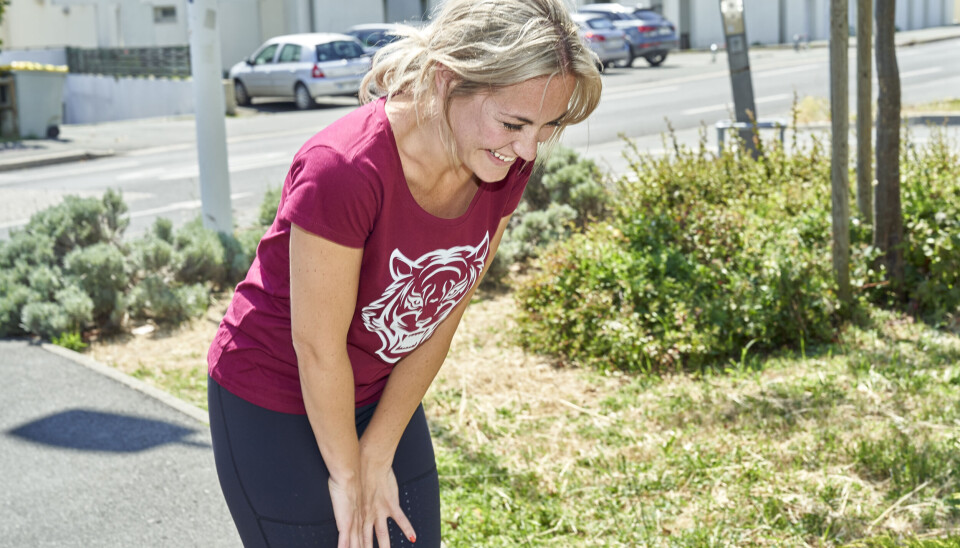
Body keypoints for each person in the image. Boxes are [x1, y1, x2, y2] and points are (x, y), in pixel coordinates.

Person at [206, 0, 602, 546]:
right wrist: (350, 476)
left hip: (379, 388)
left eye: (546, 126)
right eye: (514, 123)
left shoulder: (505, 159)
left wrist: (378, 448)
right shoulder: (343, 170)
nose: (529, 148)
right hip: (278, 392)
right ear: (446, 79)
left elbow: (446, 311)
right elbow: (317, 347)